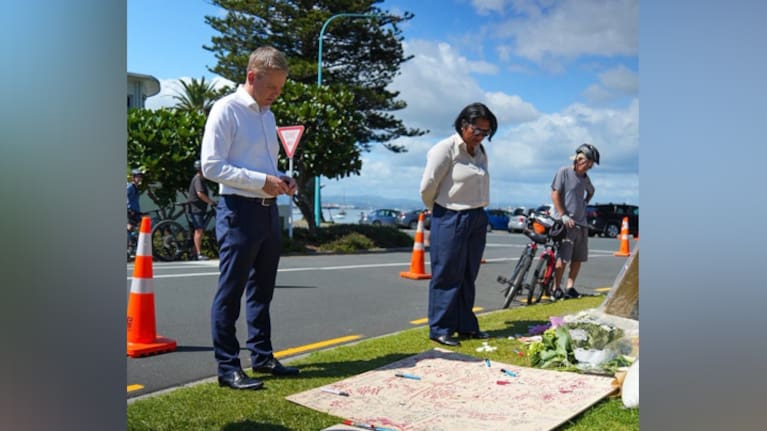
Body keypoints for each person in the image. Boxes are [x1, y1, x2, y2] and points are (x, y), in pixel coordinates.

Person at [200, 46, 299, 391]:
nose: (277, 94)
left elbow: (264, 165)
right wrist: (262, 182)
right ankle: (228, 367)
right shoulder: (226, 110)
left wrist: (281, 180)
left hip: (266, 211)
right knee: (230, 293)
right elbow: (212, 166)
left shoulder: (267, 115)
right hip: (238, 211)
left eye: (281, 87)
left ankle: (262, 356)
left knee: (262, 291)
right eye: (272, 87)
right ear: (251, 76)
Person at [419, 102, 498, 347]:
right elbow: (427, 187)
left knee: (467, 273)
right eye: (477, 130)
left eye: (486, 133)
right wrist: (440, 211)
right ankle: (440, 327)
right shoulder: (445, 149)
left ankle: (465, 325)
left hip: (476, 216)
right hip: (450, 215)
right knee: (446, 274)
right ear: (464, 125)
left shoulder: (480, 151)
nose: (481, 136)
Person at [550, 143, 599, 300]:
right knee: (563, 258)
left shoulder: (585, 178)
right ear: (579, 159)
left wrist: (585, 201)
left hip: (581, 224)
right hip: (566, 223)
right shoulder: (563, 172)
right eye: (589, 163)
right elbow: (555, 194)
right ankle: (556, 288)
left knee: (578, 258)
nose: (590, 167)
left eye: (591, 164)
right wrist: (563, 214)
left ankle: (570, 287)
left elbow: (591, 190)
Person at [187, 160, 217, 260]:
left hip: (199, 208)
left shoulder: (200, 179)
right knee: (199, 230)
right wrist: (210, 202)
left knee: (198, 230)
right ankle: (199, 254)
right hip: (196, 209)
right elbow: (200, 193)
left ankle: (194, 252)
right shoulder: (198, 179)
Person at [127, 168, 145, 232]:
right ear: (133, 177)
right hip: (131, 211)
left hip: (136, 211)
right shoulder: (130, 187)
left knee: (139, 226)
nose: (140, 178)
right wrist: (128, 210)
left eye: (141, 177)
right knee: (130, 227)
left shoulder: (136, 187)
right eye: (138, 176)